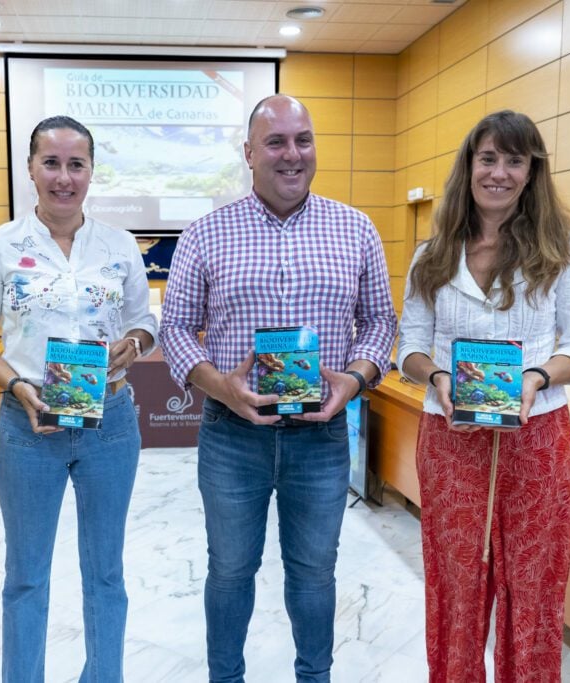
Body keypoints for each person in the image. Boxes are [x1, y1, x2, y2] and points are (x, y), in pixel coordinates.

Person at [160, 94, 397, 683]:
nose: (293, 154)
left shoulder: (356, 228)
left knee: (314, 575)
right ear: (249, 153)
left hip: (321, 437)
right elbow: (176, 327)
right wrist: (221, 386)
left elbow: (380, 322)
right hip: (232, 437)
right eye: (276, 142)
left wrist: (355, 378)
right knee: (229, 572)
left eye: (303, 140)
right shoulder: (206, 233)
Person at [0, 115, 157, 683]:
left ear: (91, 171)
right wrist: (15, 384)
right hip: (28, 425)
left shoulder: (119, 245)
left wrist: (133, 344)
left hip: (109, 423)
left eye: (76, 164)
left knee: (106, 574)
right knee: (26, 576)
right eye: (51, 163)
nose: (64, 177)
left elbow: (144, 321)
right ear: (30, 168)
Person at [397, 110, 570, 681]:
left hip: (537, 439)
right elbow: (410, 346)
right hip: (450, 438)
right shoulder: (432, 254)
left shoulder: (562, 248)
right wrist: (438, 378)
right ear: (469, 166)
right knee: (455, 586)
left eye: (515, 161)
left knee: (533, 588)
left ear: (532, 172)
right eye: (488, 158)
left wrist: (536, 378)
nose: (499, 173)